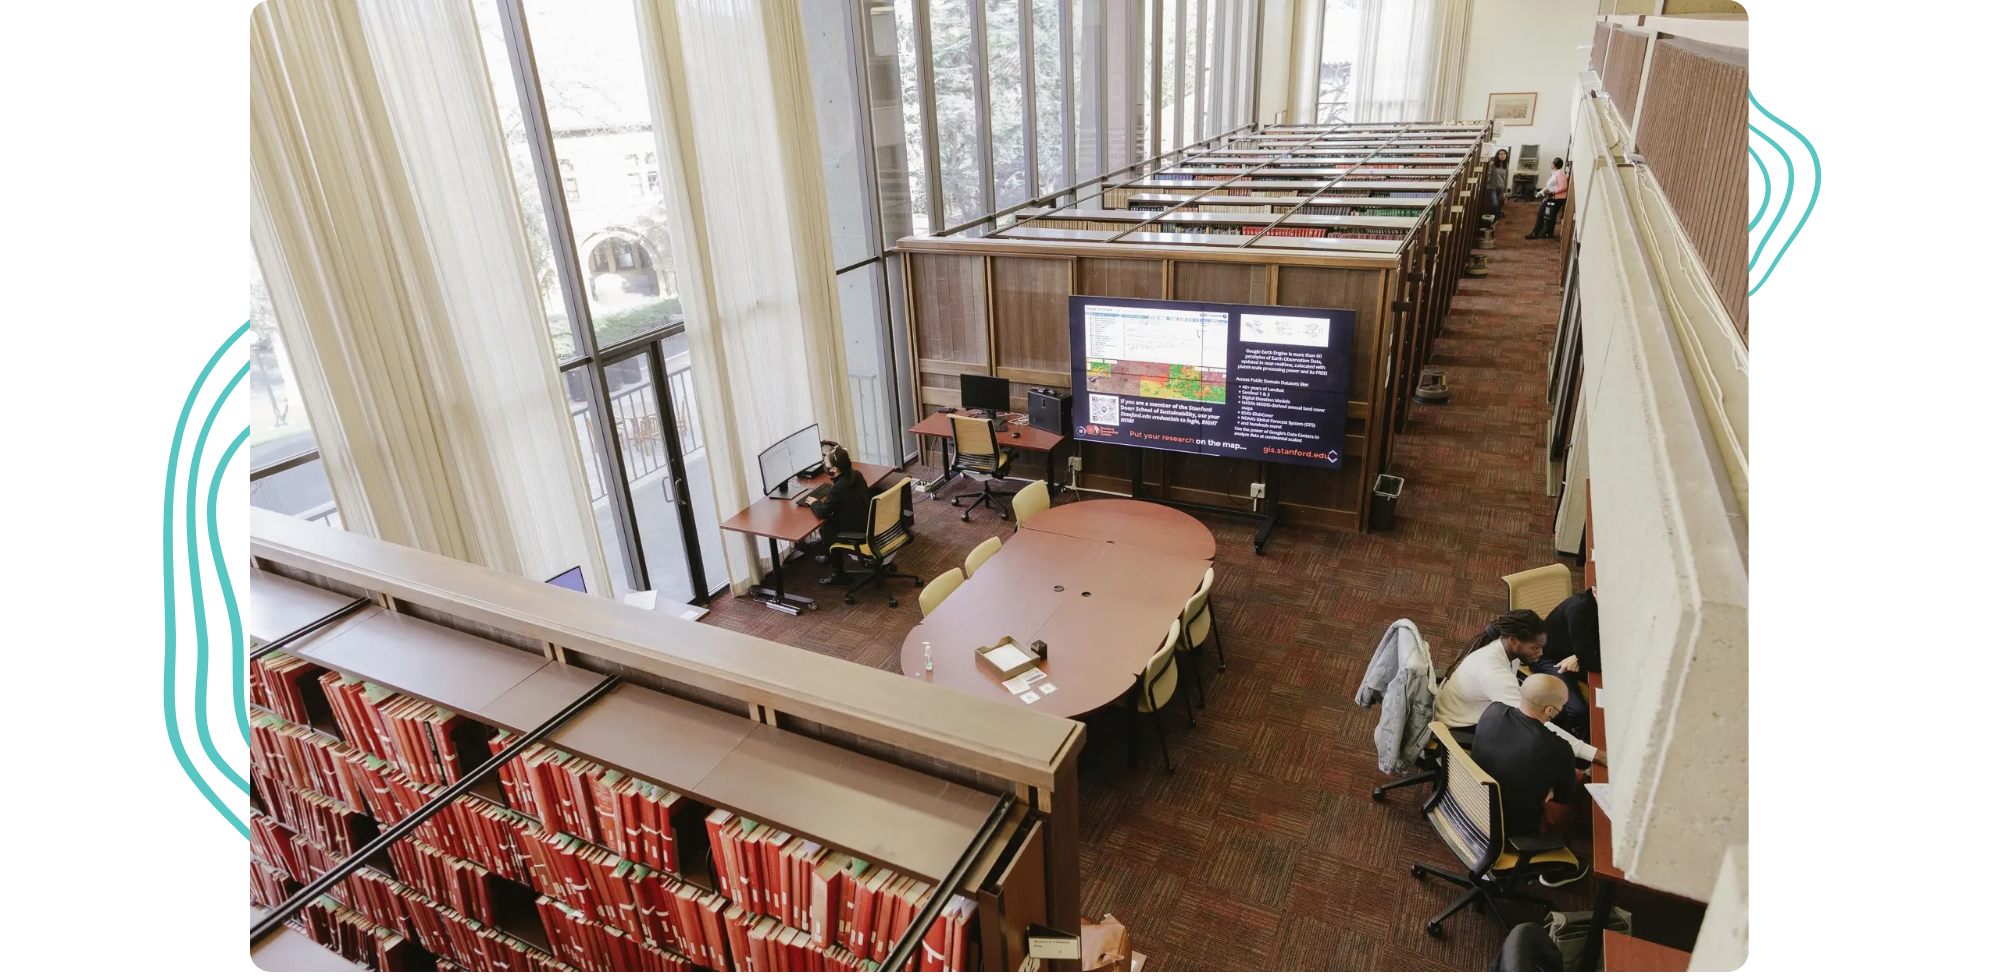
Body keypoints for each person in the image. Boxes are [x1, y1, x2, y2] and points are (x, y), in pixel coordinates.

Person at [1434, 610, 1602, 767]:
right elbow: (1532, 721)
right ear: (1514, 641)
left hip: (1481, 708)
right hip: (1461, 724)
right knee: (1545, 746)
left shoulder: (1504, 649)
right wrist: (1595, 754)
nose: (1541, 653)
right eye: (1535, 648)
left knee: (1557, 712)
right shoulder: (1493, 673)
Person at [1471, 674, 1592, 887]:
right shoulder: (1557, 748)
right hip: (1510, 832)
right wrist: (1553, 790)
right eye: (1561, 706)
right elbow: (1563, 797)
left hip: (1470, 805)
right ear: (1549, 711)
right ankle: (1558, 866)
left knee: (1573, 777)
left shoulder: (1492, 711)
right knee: (1572, 799)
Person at [1528, 587, 1599, 738]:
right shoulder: (1580, 611)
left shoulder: (1602, 603)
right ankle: (1563, 743)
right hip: (1548, 659)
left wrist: (1579, 656)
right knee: (1578, 711)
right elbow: (1592, 662)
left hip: (1573, 654)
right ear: (1595, 591)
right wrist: (1581, 656)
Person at [810, 446, 872, 584]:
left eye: (826, 464)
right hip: (868, 521)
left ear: (834, 469)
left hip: (858, 532)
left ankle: (837, 574)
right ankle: (829, 557)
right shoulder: (856, 474)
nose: (824, 466)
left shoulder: (838, 488)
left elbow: (822, 512)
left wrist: (814, 503)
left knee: (826, 530)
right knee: (829, 525)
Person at [1526, 158, 1569, 239]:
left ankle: (1535, 233)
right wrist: (1542, 191)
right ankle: (1548, 233)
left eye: (1552, 163)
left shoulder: (1559, 174)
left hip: (1556, 198)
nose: (1551, 164)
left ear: (1554, 165)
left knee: (1541, 214)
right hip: (1553, 197)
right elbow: (1550, 185)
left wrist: (1553, 193)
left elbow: (1564, 187)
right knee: (1550, 215)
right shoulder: (1555, 173)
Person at [1483, 147, 1510, 219]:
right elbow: (1488, 174)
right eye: (1501, 154)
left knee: (1498, 204)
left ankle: (1495, 218)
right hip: (1492, 187)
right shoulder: (1492, 164)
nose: (1503, 155)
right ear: (1497, 155)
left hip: (1501, 188)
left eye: (1504, 154)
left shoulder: (1506, 166)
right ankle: (1491, 219)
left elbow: (1506, 179)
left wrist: (1505, 191)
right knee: (1494, 204)